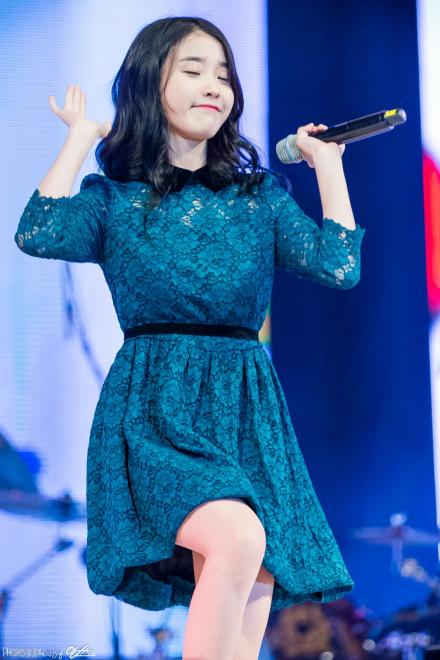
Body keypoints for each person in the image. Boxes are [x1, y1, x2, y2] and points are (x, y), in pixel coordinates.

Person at [14, 15, 366, 660]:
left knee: (256, 565)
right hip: (156, 407)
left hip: (246, 405)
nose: (214, 86)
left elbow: (338, 267)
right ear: (151, 84)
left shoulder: (259, 198)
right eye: (194, 70)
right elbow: (39, 233)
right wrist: (82, 138)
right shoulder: (114, 199)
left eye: (224, 74)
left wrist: (328, 167)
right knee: (237, 537)